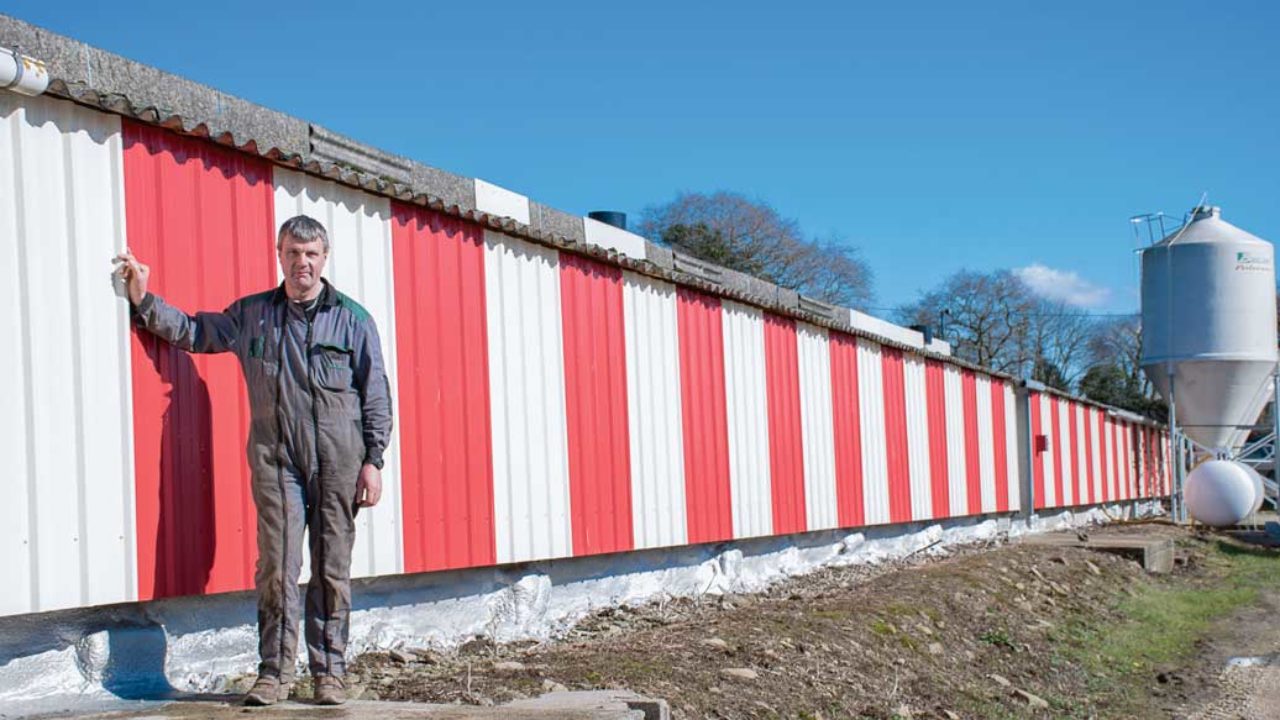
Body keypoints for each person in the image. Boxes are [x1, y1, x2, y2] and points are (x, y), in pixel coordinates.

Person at [114, 215, 393, 706]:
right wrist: (143, 300)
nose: (301, 262)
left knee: (332, 568)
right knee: (277, 567)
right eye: (292, 252)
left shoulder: (353, 319)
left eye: (310, 254)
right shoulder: (253, 316)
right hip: (276, 460)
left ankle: (329, 672)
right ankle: (274, 674)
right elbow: (196, 332)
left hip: (338, 463)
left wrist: (374, 460)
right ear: (279, 255)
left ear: (324, 259)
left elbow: (376, 395)